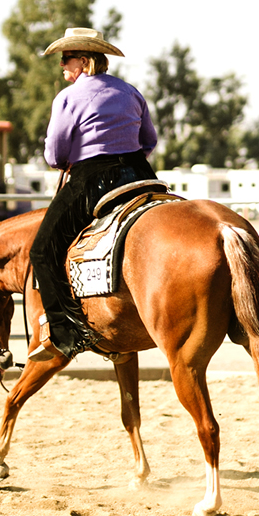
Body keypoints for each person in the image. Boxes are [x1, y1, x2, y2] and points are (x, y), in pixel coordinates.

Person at [28, 27, 158, 362]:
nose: (62, 66)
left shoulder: (68, 98)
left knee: (43, 249)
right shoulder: (130, 92)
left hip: (93, 180)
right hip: (140, 175)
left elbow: (55, 154)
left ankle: (65, 333)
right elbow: (149, 141)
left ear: (84, 61)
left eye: (66, 58)